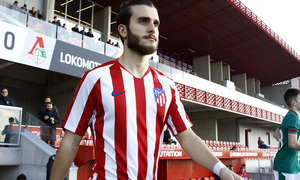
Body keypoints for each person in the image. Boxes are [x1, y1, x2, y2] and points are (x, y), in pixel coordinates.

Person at [50, 1, 242, 180]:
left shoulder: (166, 86)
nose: (152, 29)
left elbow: (187, 137)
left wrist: (222, 170)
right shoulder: (96, 78)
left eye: (156, 23)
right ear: (123, 30)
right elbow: (71, 141)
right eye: (143, 21)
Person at [273, 88, 300, 180]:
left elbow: (276, 134)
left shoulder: (290, 116)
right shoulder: (293, 118)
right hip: (285, 165)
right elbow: (292, 143)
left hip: (292, 163)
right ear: (294, 102)